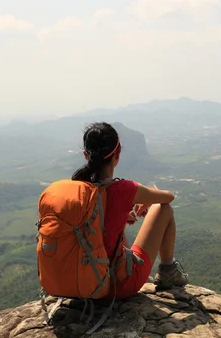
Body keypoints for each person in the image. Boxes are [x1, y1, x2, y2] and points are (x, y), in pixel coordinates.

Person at [71, 122, 188, 297]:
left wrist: (122, 214)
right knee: (163, 208)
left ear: (85, 155)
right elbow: (168, 197)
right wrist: (147, 201)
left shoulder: (76, 190)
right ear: (117, 154)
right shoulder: (123, 189)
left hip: (84, 282)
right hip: (119, 285)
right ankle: (168, 270)